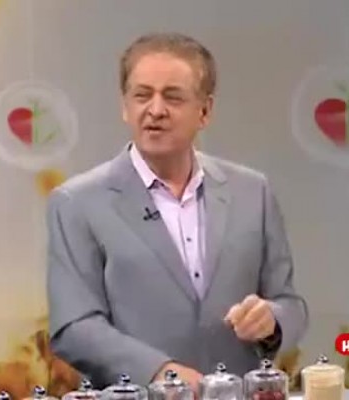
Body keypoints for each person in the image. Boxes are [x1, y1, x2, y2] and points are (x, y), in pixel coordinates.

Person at [46, 32, 308, 391]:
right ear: (125, 107)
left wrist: (272, 321)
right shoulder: (78, 202)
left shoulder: (252, 192)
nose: (155, 110)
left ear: (205, 111)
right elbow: (74, 326)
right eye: (142, 95)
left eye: (172, 97)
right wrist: (160, 372)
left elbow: (289, 304)